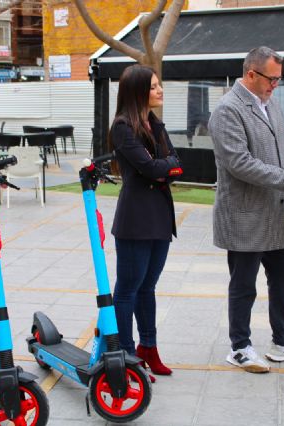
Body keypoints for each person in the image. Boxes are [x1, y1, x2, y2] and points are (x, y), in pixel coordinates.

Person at [208, 46, 284, 373]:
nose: (276, 85)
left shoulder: (271, 103)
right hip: (245, 215)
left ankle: (282, 341)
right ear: (251, 74)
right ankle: (240, 347)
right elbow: (240, 164)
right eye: (271, 79)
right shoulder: (228, 110)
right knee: (244, 284)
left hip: (276, 214)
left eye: (279, 80)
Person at [108, 64, 182, 380]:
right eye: (153, 86)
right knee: (128, 289)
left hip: (160, 216)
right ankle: (124, 354)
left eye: (158, 85)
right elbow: (152, 168)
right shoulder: (123, 127)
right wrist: (164, 167)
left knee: (147, 287)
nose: (160, 90)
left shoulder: (155, 124)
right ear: (138, 91)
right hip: (136, 218)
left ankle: (147, 348)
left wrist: (164, 167)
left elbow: (176, 163)